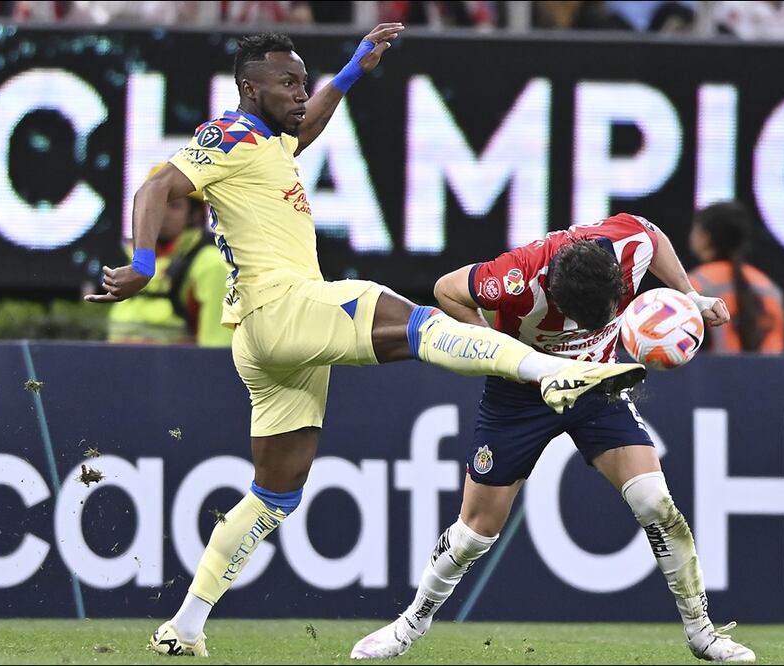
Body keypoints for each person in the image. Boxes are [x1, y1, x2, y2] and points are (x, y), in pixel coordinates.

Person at [86, 26, 648, 657]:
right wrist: (143, 262)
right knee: (417, 322)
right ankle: (550, 370)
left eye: (303, 82)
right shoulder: (228, 134)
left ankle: (184, 626)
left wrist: (352, 70)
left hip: (262, 337)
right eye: (287, 83)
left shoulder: (268, 139)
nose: (300, 94)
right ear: (249, 87)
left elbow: (306, 126)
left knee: (274, 493)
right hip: (283, 307)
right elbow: (156, 186)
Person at [351, 213, 754, 663]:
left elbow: (654, 234)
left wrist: (689, 294)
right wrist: (497, 351)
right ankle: (411, 622)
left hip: (596, 384)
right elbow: (447, 289)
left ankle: (701, 632)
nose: (596, 327)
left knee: (655, 504)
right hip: (519, 394)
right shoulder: (514, 277)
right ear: (556, 297)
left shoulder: (625, 244)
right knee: (474, 533)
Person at [108, 164, 232, 347]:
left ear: (194, 215)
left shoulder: (210, 264)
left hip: (175, 366)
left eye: (174, 205)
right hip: (117, 364)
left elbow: (215, 349)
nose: (162, 212)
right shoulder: (127, 257)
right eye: (155, 203)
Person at [688, 201, 784, 354]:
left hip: (712, 369)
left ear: (705, 237)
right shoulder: (770, 288)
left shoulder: (694, 285)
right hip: (772, 370)